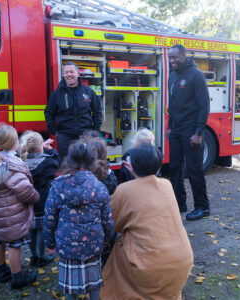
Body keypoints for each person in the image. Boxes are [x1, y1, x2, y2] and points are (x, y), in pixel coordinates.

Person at [100, 144, 193, 300]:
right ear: (158, 166)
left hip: (148, 267)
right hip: (183, 261)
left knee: (118, 246)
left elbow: (111, 224)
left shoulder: (125, 189)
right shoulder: (166, 184)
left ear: (132, 166)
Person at [43, 141, 115, 300]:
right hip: (93, 244)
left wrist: (49, 243)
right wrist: (107, 239)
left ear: (69, 160)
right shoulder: (99, 187)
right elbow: (107, 219)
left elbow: (49, 218)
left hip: (67, 245)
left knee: (70, 286)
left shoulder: (57, 186)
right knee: (94, 282)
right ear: (92, 162)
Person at [0, 124, 39, 289]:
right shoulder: (12, 165)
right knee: (14, 246)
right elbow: (25, 190)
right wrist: (35, 197)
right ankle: (18, 277)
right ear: (14, 144)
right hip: (11, 215)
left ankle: (2, 272)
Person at [166, 44, 210, 221]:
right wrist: (170, 126)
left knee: (194, 169)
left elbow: (204, 105)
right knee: (174, 168)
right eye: (170, 57)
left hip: (191, 129)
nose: (172, 61)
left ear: (184, 55)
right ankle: (179, 203)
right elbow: (173, 105)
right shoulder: (172, 76)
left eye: (175, 57)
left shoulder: (196, 75)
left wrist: (199, 132)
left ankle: (202, 207)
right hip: (176, 129)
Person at [44, 61, 102, 159]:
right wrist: (56, 132)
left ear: (77, 74)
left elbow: (97, 112)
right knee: (67, 168)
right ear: (63, 74)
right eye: (66, 72)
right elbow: (48, 113)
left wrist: (94, 131)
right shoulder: (57, 94)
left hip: (85, 137)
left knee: (87, 166)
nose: (69, 74)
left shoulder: (88, 92)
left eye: (71, 72)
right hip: (65, 138)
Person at [19, 131, 61, 267]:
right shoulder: (47, 162)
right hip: (42, 202)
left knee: (31, 230)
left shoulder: (21, 161)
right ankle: (41, 257)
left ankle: (33, 257)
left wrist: (39, 146)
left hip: (27, 202)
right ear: (40, 147)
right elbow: (57, 163)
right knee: (42, 230)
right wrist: (51, 150)